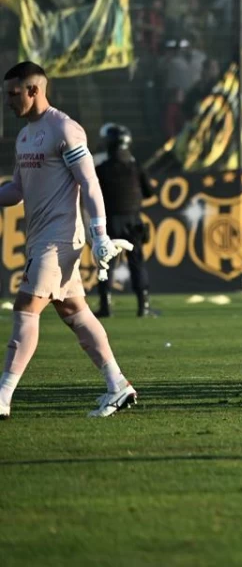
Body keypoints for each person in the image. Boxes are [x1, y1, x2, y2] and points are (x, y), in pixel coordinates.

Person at [0, 62, 136, 419]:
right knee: (75, 312)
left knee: (25, 307)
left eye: (14, 94)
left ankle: (3, 395)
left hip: (59, 238)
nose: (8, 102)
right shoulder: (26, 134)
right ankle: (118, 384)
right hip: (40, 238)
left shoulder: (65, 129)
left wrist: (101, 234)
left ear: (34, 90)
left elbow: (90, 184)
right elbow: (15, 190)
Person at [94, 122, 156, 318]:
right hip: (132, 222)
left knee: (105, 264)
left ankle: (106, 306)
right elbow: (149, 192)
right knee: (136, 263)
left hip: (110, 221)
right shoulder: (136, 167)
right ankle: (143, 306)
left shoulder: (102, 169)